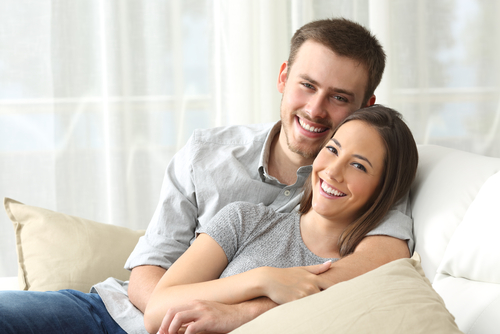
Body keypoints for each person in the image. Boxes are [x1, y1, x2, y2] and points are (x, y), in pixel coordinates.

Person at [0, 18, 413, 334]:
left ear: (365, 106)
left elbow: (376, 267)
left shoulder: (361, 182)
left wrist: (237, 315)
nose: (316, 110)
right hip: (113, 313)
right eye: (307, 85)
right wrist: (188, 314)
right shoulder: (208, 154)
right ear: (284, 79)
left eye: (339, 98)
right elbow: (149, 271)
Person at [145, 105, 419, 334]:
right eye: (333, 149)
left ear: (384, 190)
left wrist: (241, 314)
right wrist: (263, 279)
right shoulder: (243, 219)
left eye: (359, 166)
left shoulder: (365, 273)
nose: (333, 171)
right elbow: (157, 309)